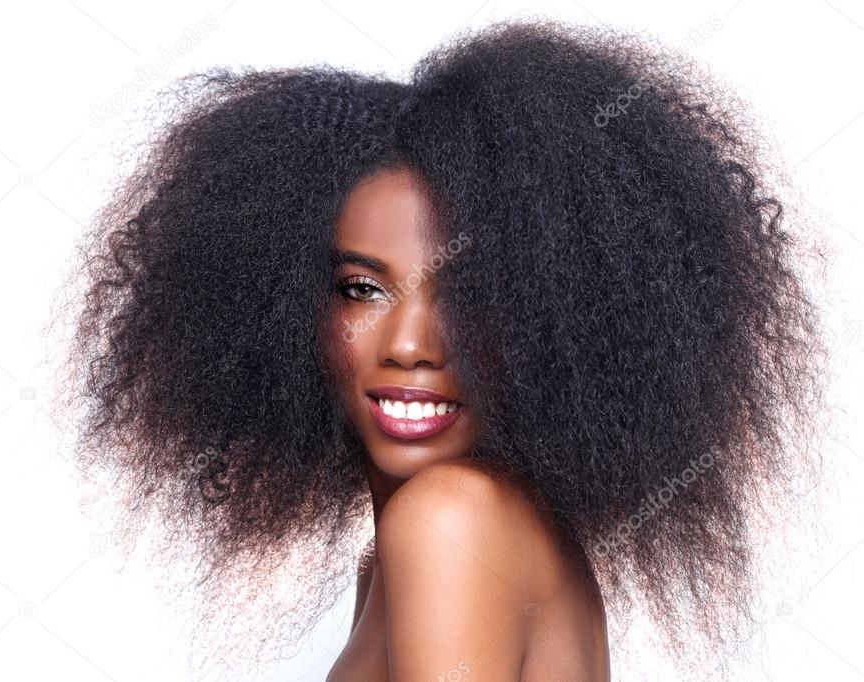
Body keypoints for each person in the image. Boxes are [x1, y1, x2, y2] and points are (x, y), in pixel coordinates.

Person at [50, 17, 830, 681]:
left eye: (468, 295)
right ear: (285, 311)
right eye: (361, 289)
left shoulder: (449, 520)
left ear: (548, 317)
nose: (412, 345)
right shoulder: (425, 545)